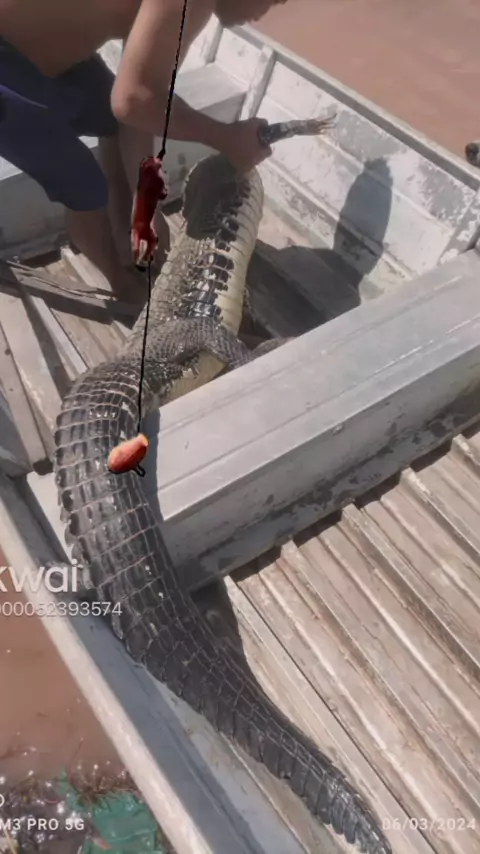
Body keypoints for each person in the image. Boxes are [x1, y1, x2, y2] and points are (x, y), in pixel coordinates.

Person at [0, 0, 286, 303]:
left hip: (36, 55)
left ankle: (125, 236)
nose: (263, 13)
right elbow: (136, 101)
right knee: (83, 186)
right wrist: (227, 138)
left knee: (111, 117)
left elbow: (137, 106)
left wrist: (145, 206)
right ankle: (120, 283)